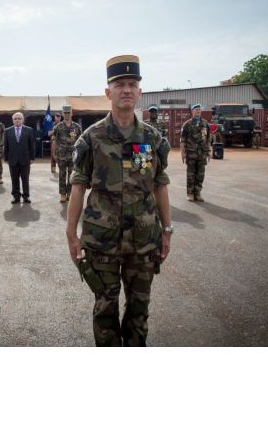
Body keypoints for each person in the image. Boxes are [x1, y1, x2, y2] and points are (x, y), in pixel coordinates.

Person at [67, 54, 172, 347]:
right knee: (105, 309)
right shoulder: (92, 138)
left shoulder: (151, 138)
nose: (126, 89)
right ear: (108, 92)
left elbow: (160, 185)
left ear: (139, 91)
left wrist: (167, 230)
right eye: (119, 84)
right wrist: (71, 234)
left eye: (132, 84)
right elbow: (78, 186)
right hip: (102, 241)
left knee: (139, 310)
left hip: (143, 241)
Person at [181, 103, 211, 202]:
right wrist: (183, 152)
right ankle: (190, 193)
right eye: (196, 109)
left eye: (199, 109)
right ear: (192, 111)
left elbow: (207, 138)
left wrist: (209, 151)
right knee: (190, 174)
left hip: (202, 154)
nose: (198, 111)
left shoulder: (205, 123)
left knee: (200, 175)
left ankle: (198, 193)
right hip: (191, 153)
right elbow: (183, 139)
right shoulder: (187, 124)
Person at [4, 112, 35, 204]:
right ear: (13, 120)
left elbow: (31, 145)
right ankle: (16, 196)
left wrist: (32, 158)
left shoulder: (29, 130)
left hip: (25, 159)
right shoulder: (7, 131)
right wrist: (6, 158)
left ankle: (26, 196)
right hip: (12, 159)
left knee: (25, 179)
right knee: (14, 179)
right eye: (15, 119)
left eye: (19, 118)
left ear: (23, 120)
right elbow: (6, 146)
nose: (17, 120)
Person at [53, 105, 82, 202]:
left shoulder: (77, 127)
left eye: (68, 112)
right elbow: (54, 141)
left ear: (72, 113)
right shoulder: (58, 127)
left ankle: (69, 193)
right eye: (65, 113)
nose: (67, 114)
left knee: (71, 175)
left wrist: (81, 155)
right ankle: (62, 194)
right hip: (61, 155)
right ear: (62, 114)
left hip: (73, 156)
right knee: (62, 175)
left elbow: (80, 142)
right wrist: (54, 154)